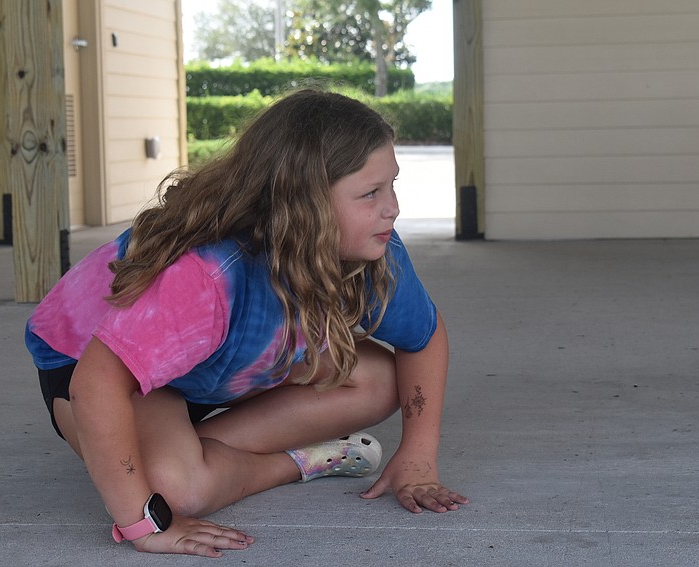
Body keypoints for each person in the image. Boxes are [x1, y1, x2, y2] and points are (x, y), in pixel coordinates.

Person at [25, 88, 468, 557]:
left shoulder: (374, 249)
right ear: (306, 205)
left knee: (381, 380)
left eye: (392, 184)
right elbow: (96, 385)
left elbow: (424, 337)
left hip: (218, 365)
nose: (392, 208)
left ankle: (187, 453)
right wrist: (145, 525)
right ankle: (298, 462)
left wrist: (418, 456)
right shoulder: (209, 273)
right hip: (98, 370)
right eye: (371, 193)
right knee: (177, 492)